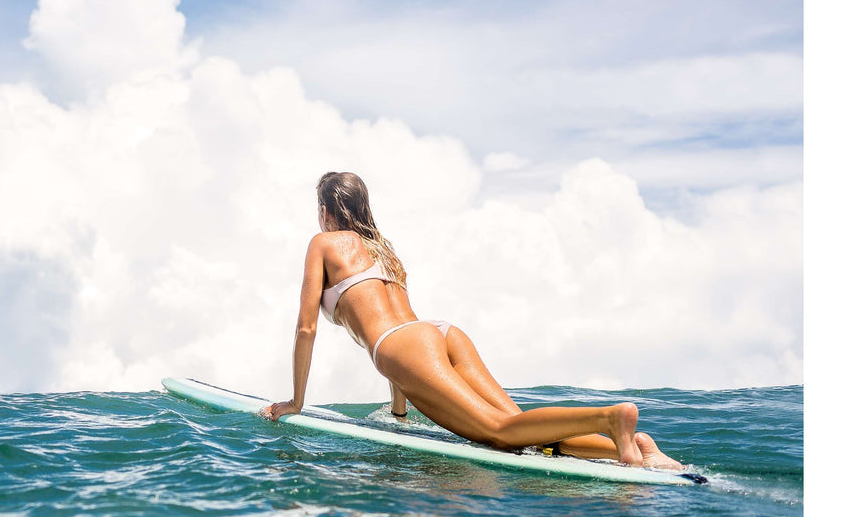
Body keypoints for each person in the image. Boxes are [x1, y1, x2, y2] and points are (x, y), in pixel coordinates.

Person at [258, 171, 684, 470]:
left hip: (403, 347)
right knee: (525, 436)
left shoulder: (323, 243)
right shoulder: (385, 250)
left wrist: (296, 401)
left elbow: (307, 327)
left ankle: (611, 419)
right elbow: (403, 324)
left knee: (498, 433)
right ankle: (634, 449)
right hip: (439, 334)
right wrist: (399, 414)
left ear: (324, 209)